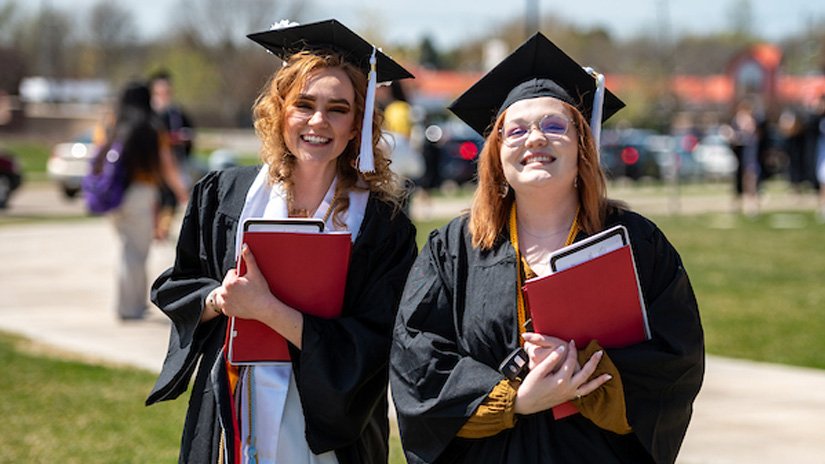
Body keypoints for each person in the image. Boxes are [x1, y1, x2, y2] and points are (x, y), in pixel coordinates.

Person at [390, 33, 704, 464]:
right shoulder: (452, 250)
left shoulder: (637, 242)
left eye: (555, 126)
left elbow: (676, 361)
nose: (535, 138)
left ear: (582, 146)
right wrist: (515, 399)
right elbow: (417, 363)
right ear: (496, 155)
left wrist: (582, 371)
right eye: (515, 130)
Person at [146, 19, 417, 464]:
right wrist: (220, 298)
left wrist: (268, 311)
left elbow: (379, 345)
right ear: (280, 111)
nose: (317, 121)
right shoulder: (224, 196)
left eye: (338, 108)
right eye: (304, 104)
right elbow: (177, 285)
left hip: (328, 429)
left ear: (357, 125)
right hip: (232, 408)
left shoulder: (382, 227)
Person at [96, 81, 189, 320]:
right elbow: (167, 165)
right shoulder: (151, 127)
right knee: (135, 253)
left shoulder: (113, 124)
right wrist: (181, 192)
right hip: (140, 193)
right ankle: (128, 308)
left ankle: (135, 304)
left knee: (129, 250)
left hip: (114, 195)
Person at [149, 70, 197, 240]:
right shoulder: (150, 114)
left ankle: (163, 229)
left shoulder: (176, 113)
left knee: (171, 196)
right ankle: (156, 228)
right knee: (156, 195)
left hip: (175, 161)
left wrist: (183, 139)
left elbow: (189, 133)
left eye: (167, 92)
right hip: (154, 163)